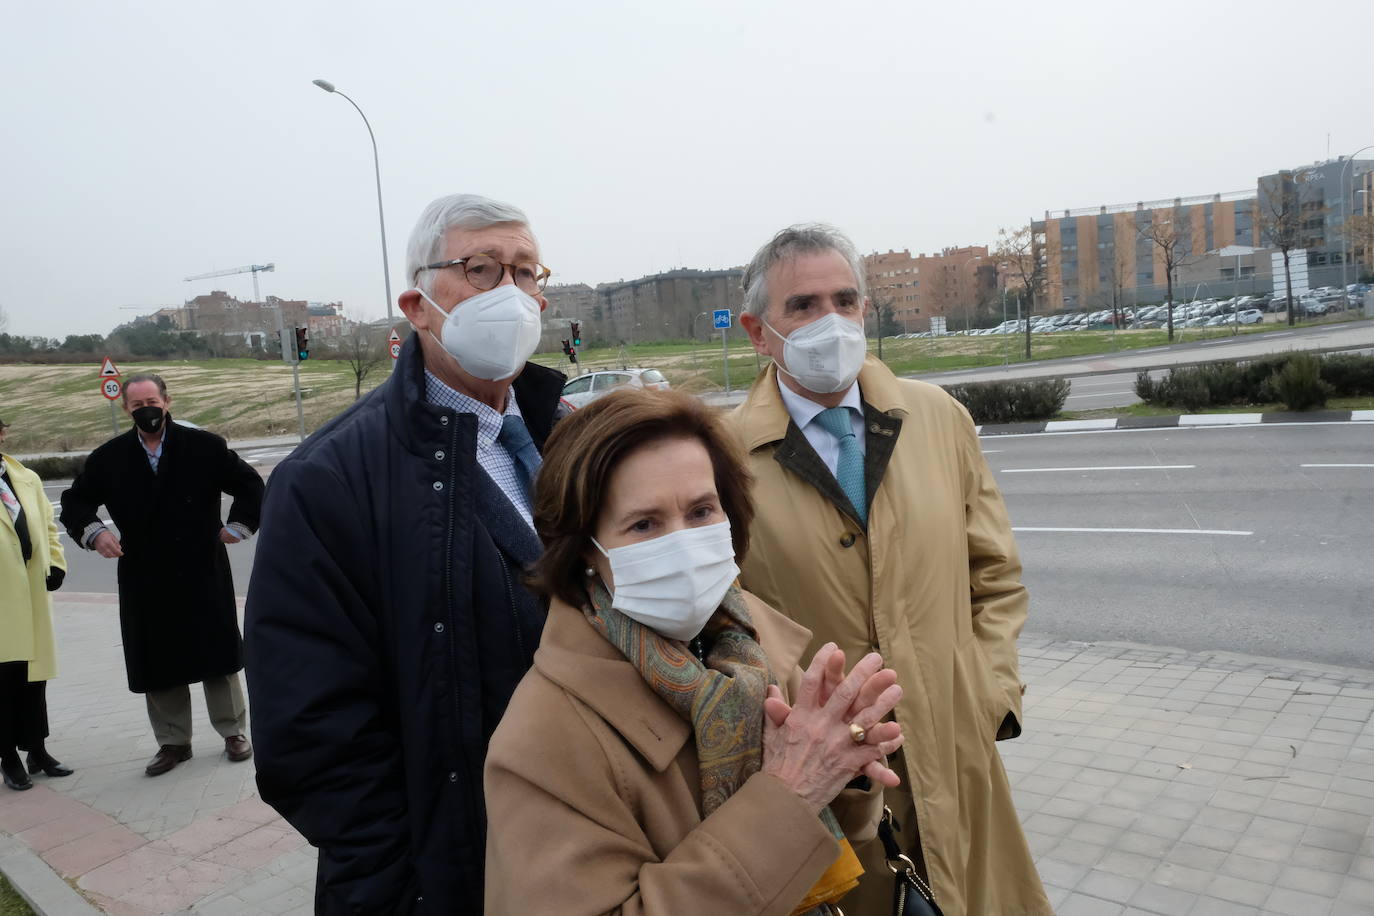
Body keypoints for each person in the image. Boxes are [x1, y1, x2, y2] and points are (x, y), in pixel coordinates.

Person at [245, 194, 568, 914]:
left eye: (524, 272)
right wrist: (414, 878)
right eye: (481, 269)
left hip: (590, 851)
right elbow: (310, 733)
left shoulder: (573, 441)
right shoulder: (327, 480)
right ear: (418, 305)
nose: (510, 294)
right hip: (448, 877)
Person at [728, 224, 1052, 916]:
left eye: (846, 300)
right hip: (828, 791)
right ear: (759, 332)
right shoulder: (721, 457)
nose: (832, 322)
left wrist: (987, 696)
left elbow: (994, 578)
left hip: (956, 759)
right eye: (804, 306)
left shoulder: (938, 418)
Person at [485, 388, 905, 915]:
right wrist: (791, 794)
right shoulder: (542, 741)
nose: (683, 543)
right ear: (584, 549)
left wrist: (845, 764)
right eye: (644, 524)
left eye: (702, 511)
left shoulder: (747, 643)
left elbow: (845, 838)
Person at [59, 374, 264, 777]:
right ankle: (173, 742)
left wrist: (238, 525)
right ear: (126, 409)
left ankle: (233, 731)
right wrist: (95, 532)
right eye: (137, 405)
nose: (146, 410)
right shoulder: (110, 457)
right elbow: (75, 500)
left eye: (152, 401)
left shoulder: (204, 447)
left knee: (217, 651)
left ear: (167, 401)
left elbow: (250, 484)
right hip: (144, 572)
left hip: (201, 565)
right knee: (157, 656)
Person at [1, 417, 70, 790]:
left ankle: (37, 750)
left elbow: (46, 525)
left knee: (34, 678)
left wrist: (56, 562)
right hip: (1, 600)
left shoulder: (25, 476)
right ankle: (7, 756)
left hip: (30, 592)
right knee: (4, 680)